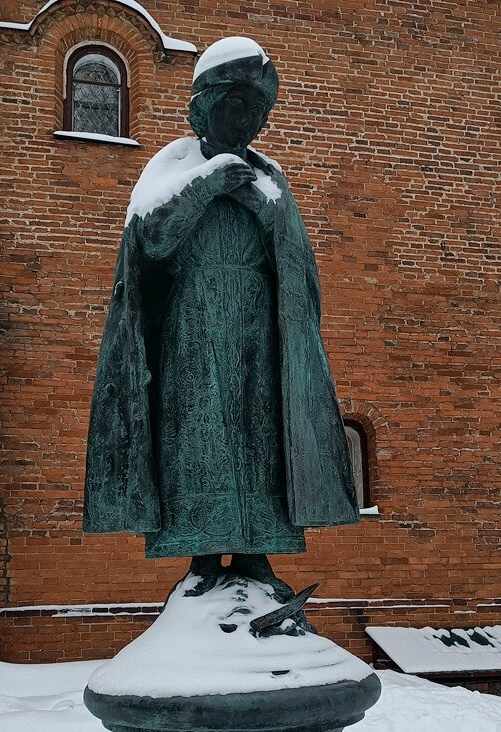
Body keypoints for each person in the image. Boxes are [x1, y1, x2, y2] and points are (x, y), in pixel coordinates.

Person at [83, 37, 358, 605]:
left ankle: (257, 551)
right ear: (205, 106)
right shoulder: (175, 164)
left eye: (257, 112)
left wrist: (263, 208)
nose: (247, 121)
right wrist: (208, 186)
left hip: (260, 324)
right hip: (194, 321)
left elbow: (298, 262)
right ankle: (202, 555)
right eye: (236, 107)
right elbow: (151, 239)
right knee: (196, 432)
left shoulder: (269, 176)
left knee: (261, 431)